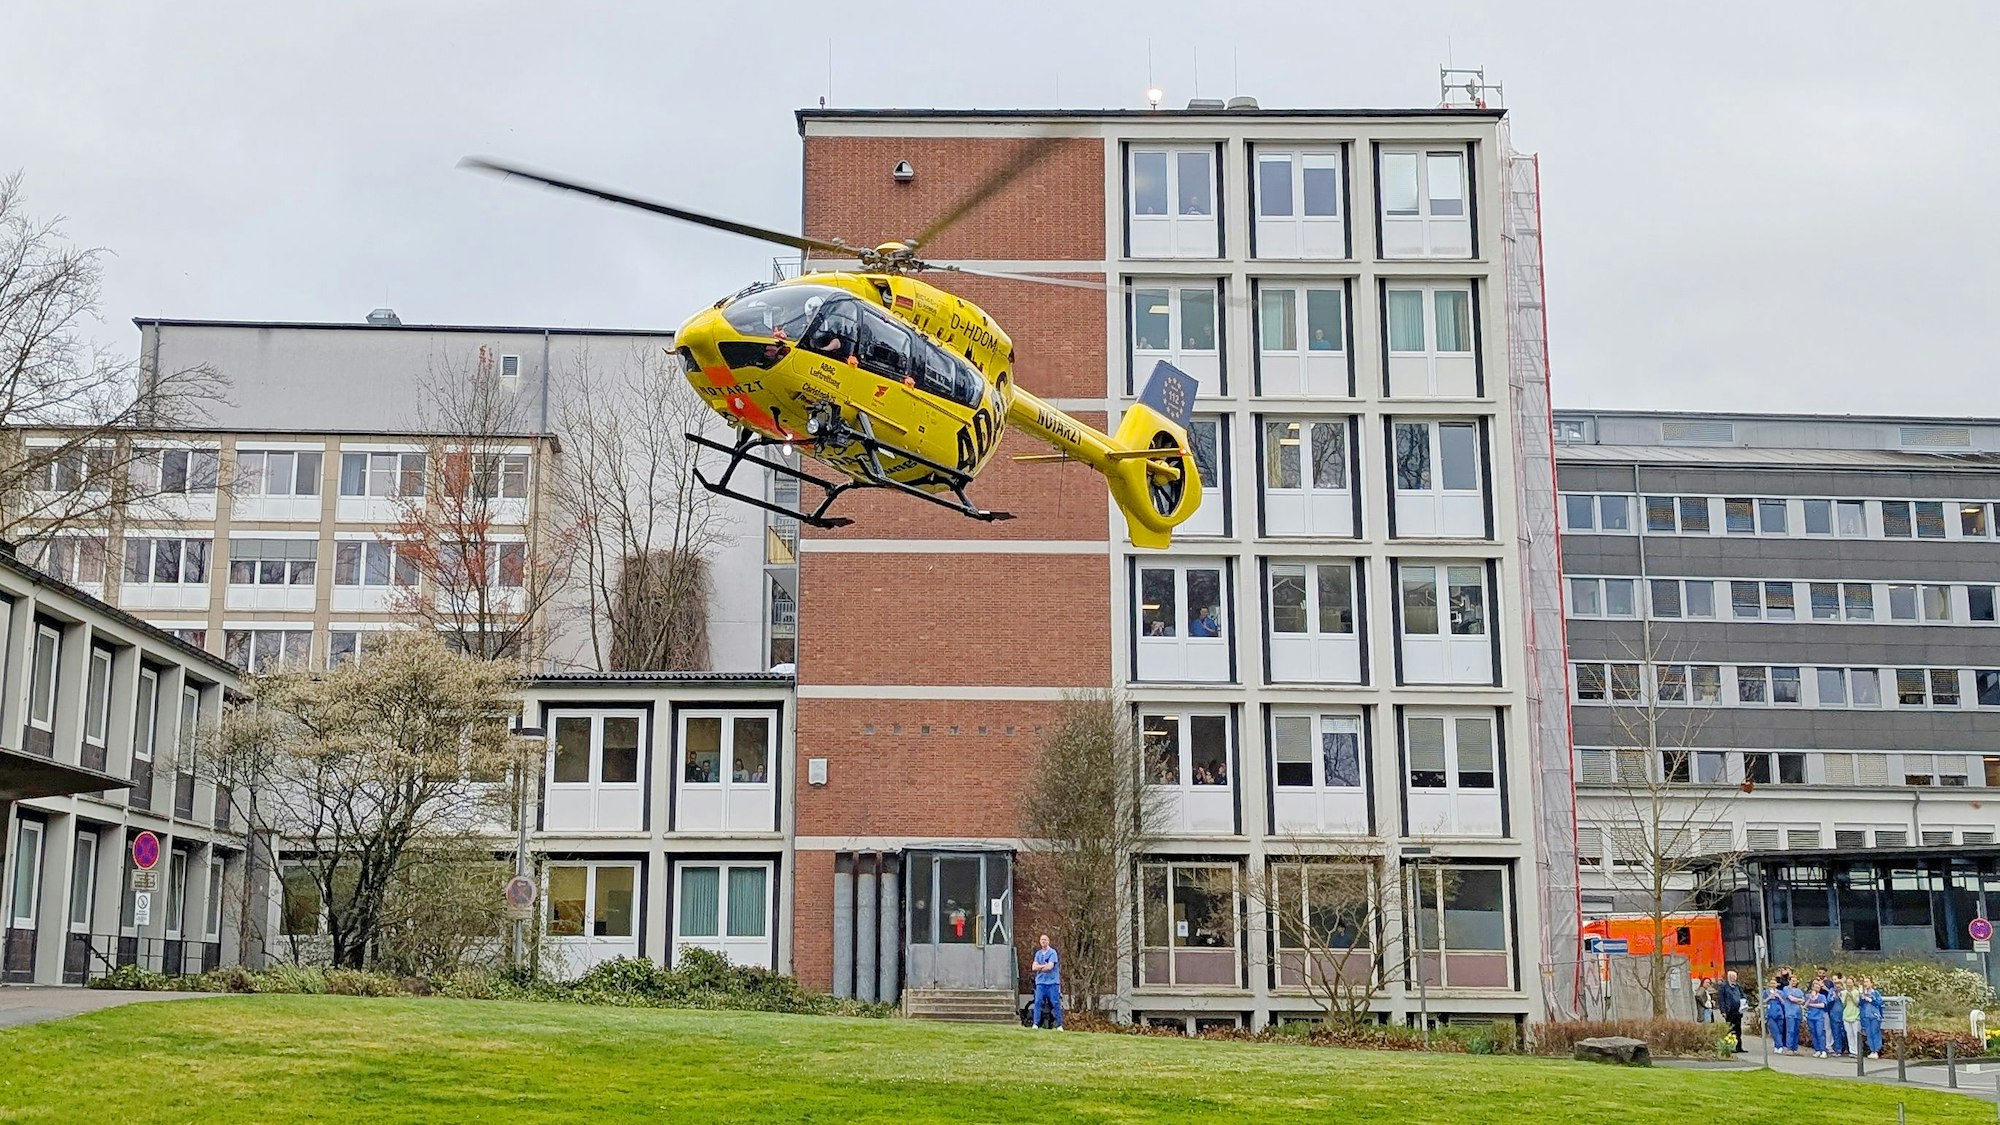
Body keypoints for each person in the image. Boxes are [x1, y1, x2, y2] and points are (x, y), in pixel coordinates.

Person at [1029, 934, 1063, 1030]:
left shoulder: (1053, 953)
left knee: (1055, 1003)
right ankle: (1035, 1024)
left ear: (1048, 941)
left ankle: (1059, 1025)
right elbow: (1033, 967)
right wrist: (1043, 966)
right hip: (1040, 983)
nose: (1043, 941)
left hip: (1052, 983)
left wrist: (1040, 967)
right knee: (1038, 1002)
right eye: (1041, 940)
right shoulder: (1038, 954)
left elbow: (1050, 967)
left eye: (1045, 940)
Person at [1717, 969, 1746, 1052]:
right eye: (1732, 977)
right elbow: (1721, 999)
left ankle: (1739, 1047)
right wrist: (1723, 1011)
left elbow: (1743, 996)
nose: (1734, 978)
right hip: (1729, 1012)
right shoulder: (1724, 987)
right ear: (1728, 977)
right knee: (1730, 1029)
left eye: (1735, 977)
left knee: (1738, 1030)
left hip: (1738, 1012)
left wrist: (1744, 1002)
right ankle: (1730, 1046)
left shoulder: (1738, 986)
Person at [1858, 976, 1885, 1059]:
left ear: (1871, 983)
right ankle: (1871, 1050)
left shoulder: (1875, 993)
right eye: (1864, 982)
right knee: (1869, 1033)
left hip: (1874, 1016)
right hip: (1866, 1015)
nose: (1865, 983)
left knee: (1875, 1033)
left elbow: (1879, 1003)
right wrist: (1863, 998)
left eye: (1867, 982)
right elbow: (1860, 1004)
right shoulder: (1863, 993)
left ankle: (1876, 1050)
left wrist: (1871, 1000)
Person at [1780, 972, 1806, 1054]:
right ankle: (1789, 1048)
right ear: (1789, 981)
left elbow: (1803, 1000)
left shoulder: (1799, 990)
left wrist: (1798, 1000)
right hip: (1790, 1012)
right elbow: (1791, 999)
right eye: (1793, 981)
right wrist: (1798, 1000)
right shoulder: (1786, 989)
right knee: (1790, 1030)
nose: (1794, 982)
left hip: (1798, 1013)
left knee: (1796, 1031)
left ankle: (1795, 1048)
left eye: (1795, 981)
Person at [1763, 977, 1787, 1054]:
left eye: (1774, 983)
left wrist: (1778, 997)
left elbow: (1784, 1002)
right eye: (1771, 983)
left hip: (1779, 1013)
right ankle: (1779, 1046)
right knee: (1774, 1030)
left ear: (1777, 984)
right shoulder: (1766, 992)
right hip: (1771, 1013)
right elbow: (1763, 1001)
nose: (1773, 985)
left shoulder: (1781, 992)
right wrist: (1770, 997)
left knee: (1780, 1030)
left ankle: (1777, 1045)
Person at [1827, 972, 1850, 1056]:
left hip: (1845, 1014)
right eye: (1833, 980)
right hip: (1834, 1014)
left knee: (1845, 1032)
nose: (1835, 982)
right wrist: (1834, 997)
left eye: (1836, 980)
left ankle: (1847, 1048)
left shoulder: (1846, 991)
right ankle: (1838, 1049)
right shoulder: (1832, 991)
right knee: (1836, 1032)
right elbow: (1828, 1001)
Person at [1840, 977, 1862, 1058]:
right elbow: (1843, 1004)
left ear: (1853, 983)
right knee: (1849, 1034)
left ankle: (1858, 1051)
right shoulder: (1843, 993)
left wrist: (1852, 996)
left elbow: (1857, 1004)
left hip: (1855, 1015)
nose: (1849, 984)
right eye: (1847, 983)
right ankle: (1852, 1051)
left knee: (1856, 1034)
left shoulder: (1857, 992)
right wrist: (1846, 996)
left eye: (1850, 982)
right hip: (1846, 1015)